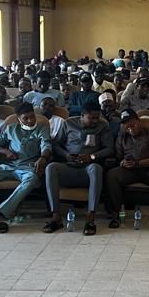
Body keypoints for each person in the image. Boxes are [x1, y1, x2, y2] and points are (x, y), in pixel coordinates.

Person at [0, 103, 53, 233]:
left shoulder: (41, 128)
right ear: (18, 118)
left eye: (32, 117)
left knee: (31, 178)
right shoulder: (11, 128)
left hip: (28, 168)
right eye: (26, 118)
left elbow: (46, 145)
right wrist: (6, 152)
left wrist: (43, 158)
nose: (30, 120)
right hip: (8, 166)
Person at [44, 101, 114, 235]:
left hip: (88, 170)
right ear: (82, 115)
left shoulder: (102, 126)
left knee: (96, 168)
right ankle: (56, 217)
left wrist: (92, 156)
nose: (95, 121)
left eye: (97, 117)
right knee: (51, 167)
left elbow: (109, 148)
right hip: (69, 166)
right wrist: (66, 155)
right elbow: (57, 145)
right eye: (91, 118)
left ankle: (90, 218)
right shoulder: (69, 123)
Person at [106, 110, 149, 233]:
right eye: (127, 127)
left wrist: (138, 163)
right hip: (130, 171)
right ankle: (116, 213)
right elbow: (118, 158)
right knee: (112, 174)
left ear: (139, 121)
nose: (130, 129)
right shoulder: (122, 137)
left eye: (132, 125)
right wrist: (122, 163)